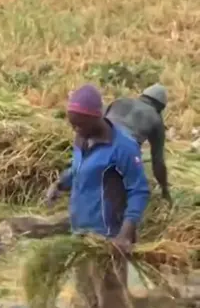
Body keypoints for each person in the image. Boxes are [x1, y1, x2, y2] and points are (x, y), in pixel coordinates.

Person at [45, 84, 150, 308]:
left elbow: (139, 191)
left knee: (111, 299)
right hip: (81, 234)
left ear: (96, 118)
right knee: (86, 296)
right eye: (72, 124)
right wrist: (60, 183)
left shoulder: (123, 148)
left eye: (79, 124)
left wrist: (124, 235)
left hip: (108, 238)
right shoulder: (82, 139)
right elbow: (79, 170)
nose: (75, 129)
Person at [105, 83, 170, 204]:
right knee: (133, 194)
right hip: (125, 151)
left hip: (96, 142)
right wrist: (165, 189)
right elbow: (158, 161)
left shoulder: (119, 101)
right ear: (160, 107)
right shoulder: (155, 118)